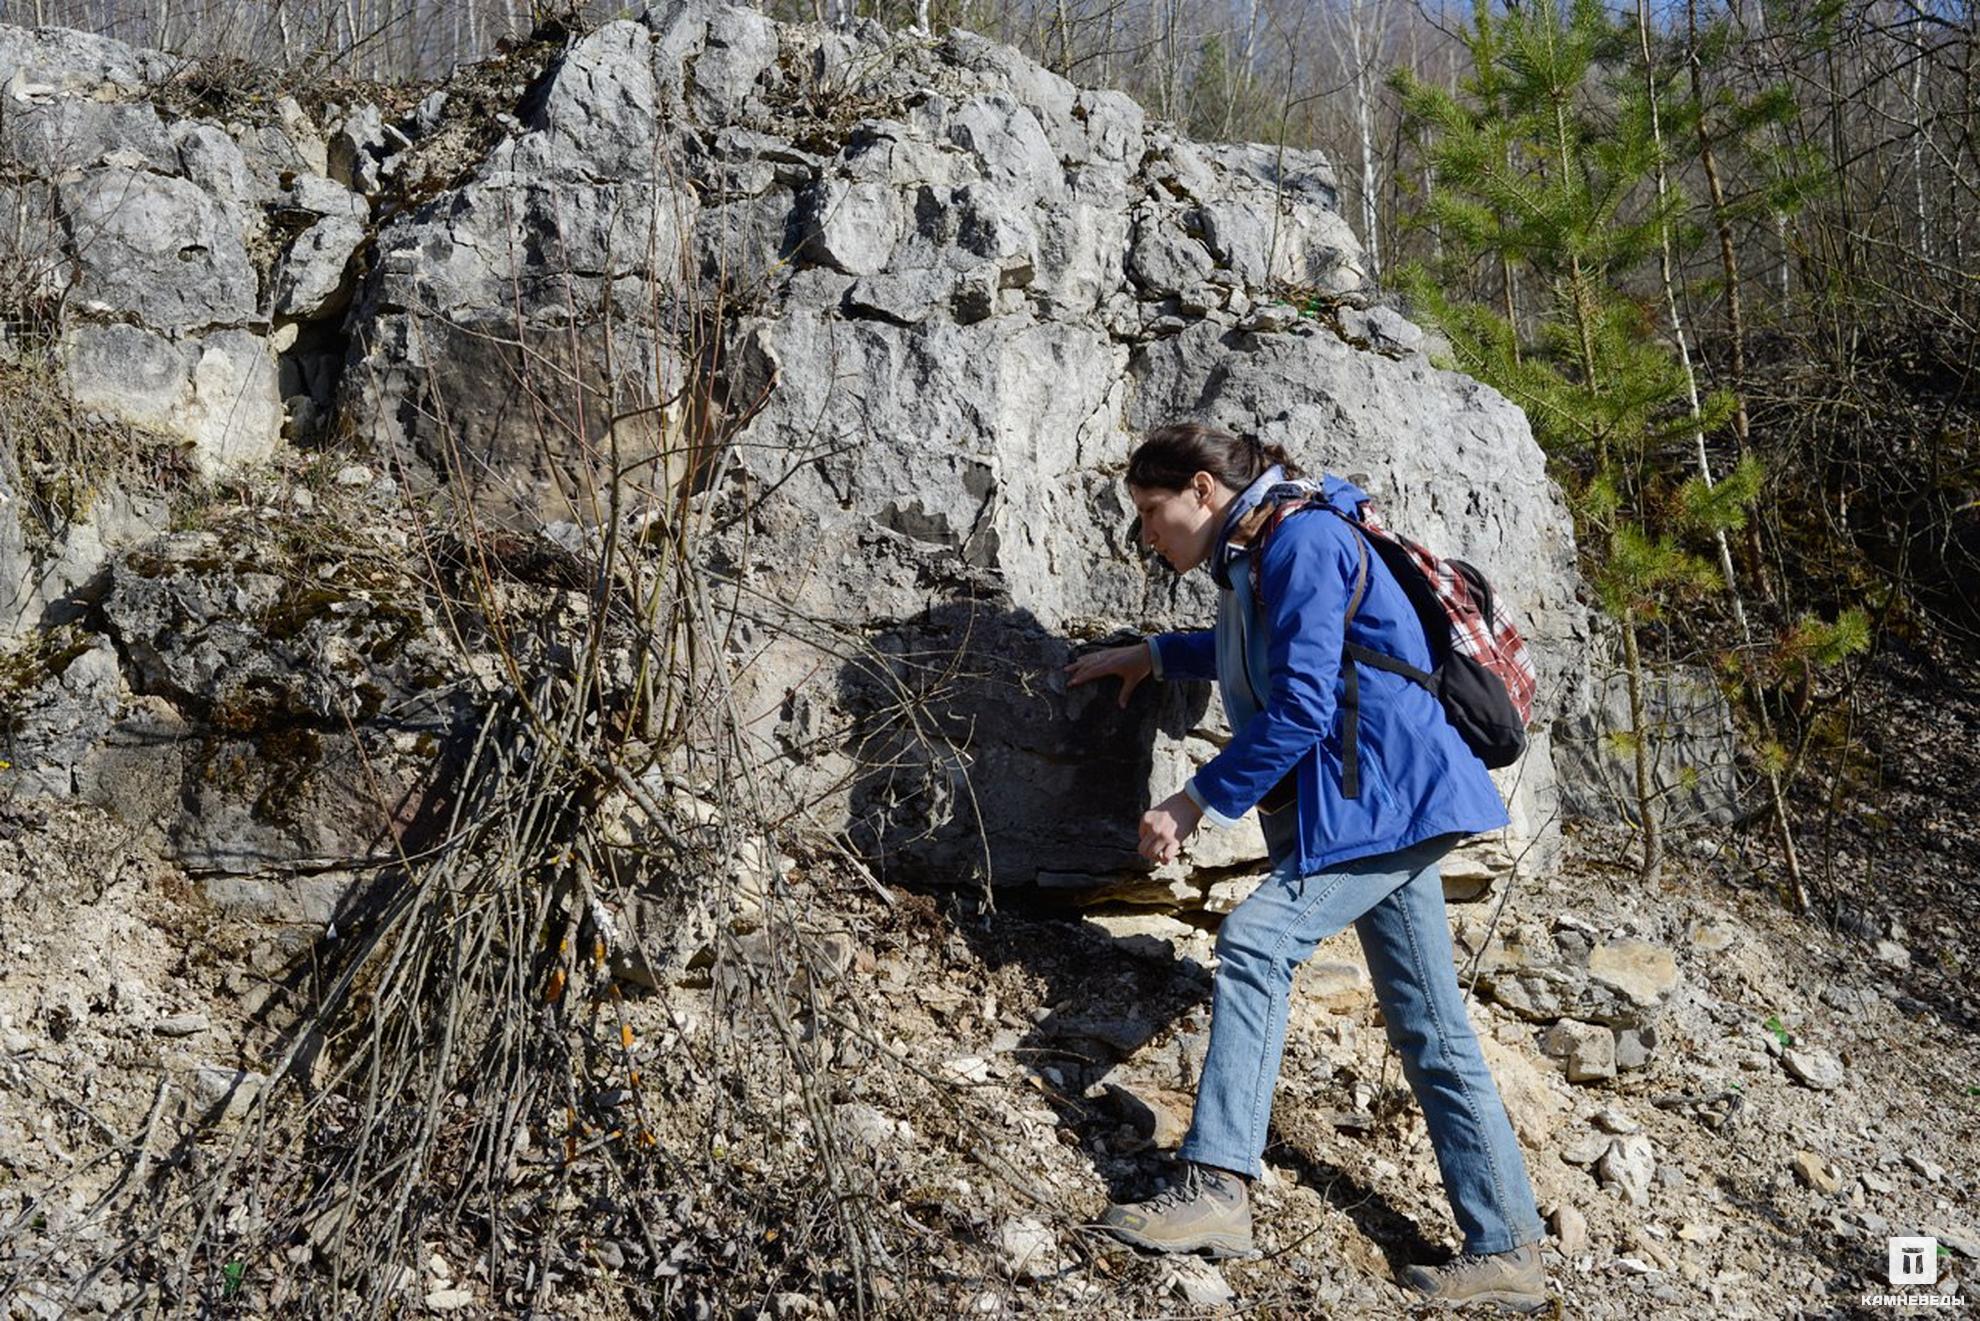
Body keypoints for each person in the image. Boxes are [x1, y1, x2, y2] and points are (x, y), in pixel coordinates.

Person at [1064, 422, 1549, 1313]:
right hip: (1376, 802)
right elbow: (1267, 648)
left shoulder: (1305, 538)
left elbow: (1300, 703)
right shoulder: (1261, 547)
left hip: (1386, 801)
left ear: (1203, 491)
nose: (1146, 535)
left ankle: (1217, 1190)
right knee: (1430, 1027)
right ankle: (1510, 1245)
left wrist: (1191, 800)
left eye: (1151, 511)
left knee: (1255, 939)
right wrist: (1157, 652)